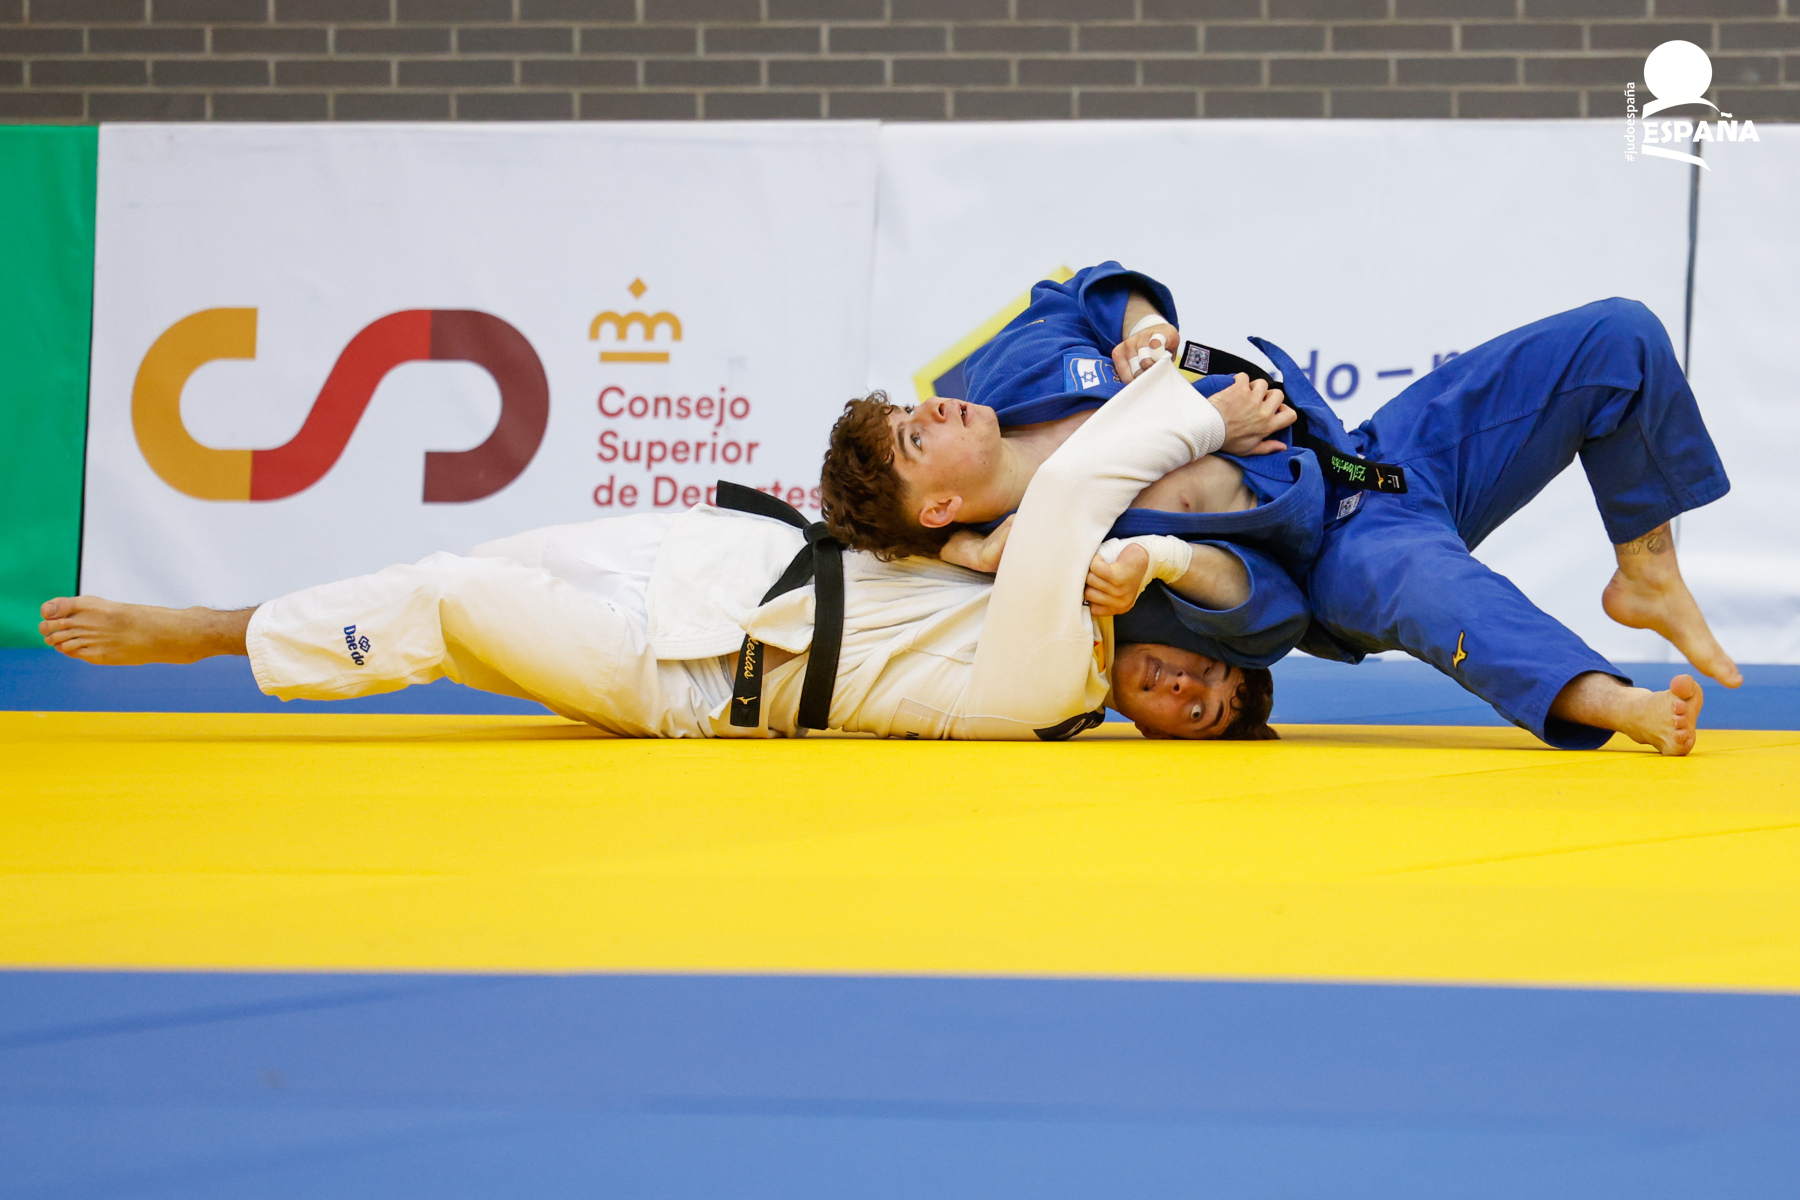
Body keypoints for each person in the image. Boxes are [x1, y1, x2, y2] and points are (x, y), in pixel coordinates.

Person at [40, 356, 1284, 742]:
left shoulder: (1047, 697)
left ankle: (215, 632)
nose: (1185, 686)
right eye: (1212, 675)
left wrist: (1203, 415)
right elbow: (1032, 533)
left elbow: (1066, 497)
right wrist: (979, 555)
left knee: (454, 598)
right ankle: (255, 622)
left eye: (1198, 713)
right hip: (709, 555)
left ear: (1170, 740)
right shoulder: (1066, 592)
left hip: (683, 674)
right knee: (441, 584)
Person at [819, 266, 1738, 756]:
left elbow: (1083, 289)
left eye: (910, 414)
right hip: (1340, 549)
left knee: (1616, 335)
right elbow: (1268, 618)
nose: (932, 410)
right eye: (915, 440)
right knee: (1436, 593)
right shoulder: (1059, 564)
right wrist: (998, 555)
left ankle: (1645, 572)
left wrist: (1142, 327)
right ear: (939, 508)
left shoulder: (1004, 376)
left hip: (1372, 452)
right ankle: (1612, 701)